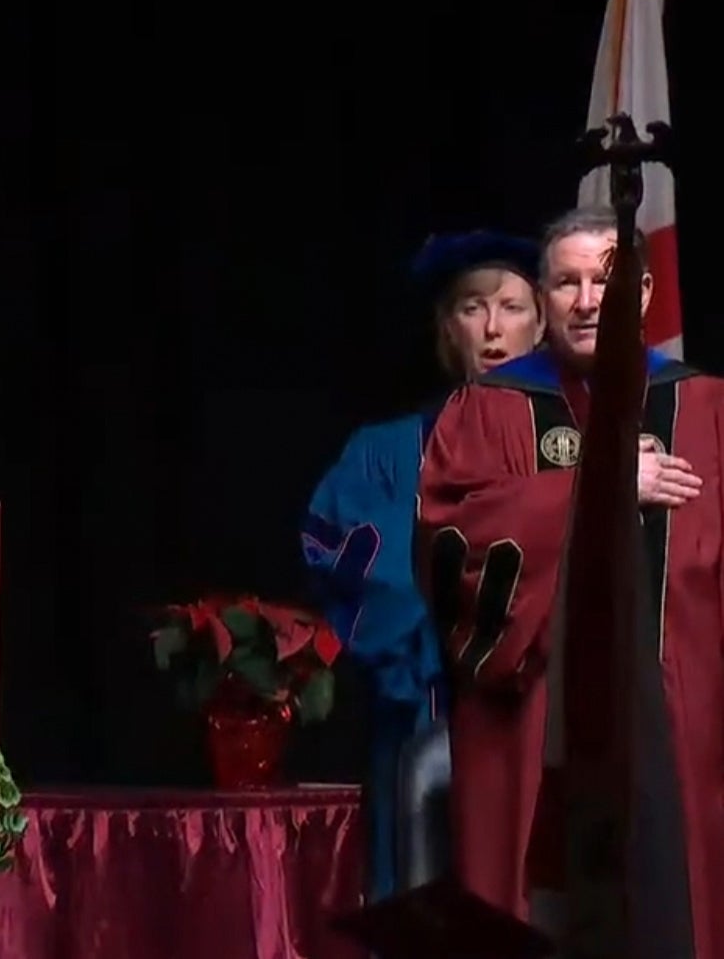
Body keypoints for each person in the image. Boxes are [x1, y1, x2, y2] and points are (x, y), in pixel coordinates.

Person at [418, 206, 723, 952]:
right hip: (537, 720)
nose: (588, 301)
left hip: (681, 721)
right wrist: (605, 481)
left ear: (645, 295)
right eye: (566, 283)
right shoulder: (488, 409)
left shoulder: (706, 406)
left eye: (607, 282)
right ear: (544, 296)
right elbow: (452, 539)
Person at [300, 230, 544, 901]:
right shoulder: (385, 452)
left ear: (542, 323)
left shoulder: (569, 447)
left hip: (545, 729)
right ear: (446, 326)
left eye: (511, 306)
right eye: (472, 307)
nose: (493, 328)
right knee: (421, 905)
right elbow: (348, 559)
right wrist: (463, 636)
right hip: (423, 720)